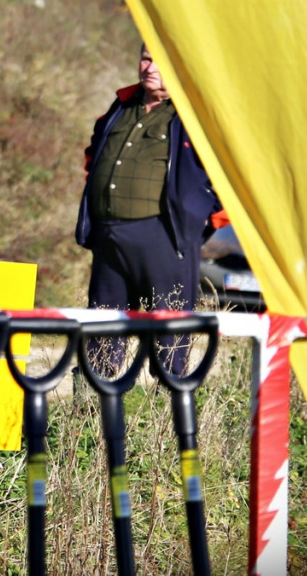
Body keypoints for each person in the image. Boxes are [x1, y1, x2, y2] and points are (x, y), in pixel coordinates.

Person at [75, 43, 225, 376]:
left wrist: (198, 223)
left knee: (168, 336)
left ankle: (167, 412)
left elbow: (235, 177)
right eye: (146, 58)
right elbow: (93, 156)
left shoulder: (198, 116)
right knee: (102, 329)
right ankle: (91, 410)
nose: (150, 68)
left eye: (161, 63)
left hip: (165, 237)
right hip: (108, 236)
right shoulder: (120, 105)